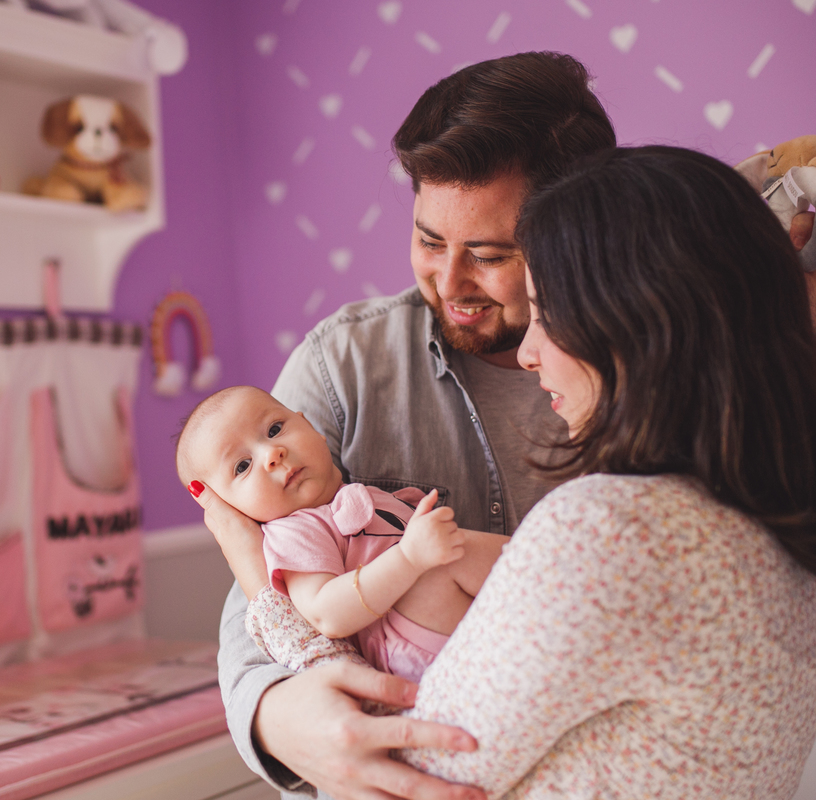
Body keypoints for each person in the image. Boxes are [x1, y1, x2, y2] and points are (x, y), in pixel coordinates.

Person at [191, 51, 618, 800]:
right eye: (428, 241)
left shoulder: (641, 367)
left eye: (489, 255)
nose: (449, 286)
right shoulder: (342, 365)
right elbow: (260, 599)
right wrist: (284, 720)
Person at [381, 145, 816, 795]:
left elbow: (406, 778)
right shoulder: (776, 521)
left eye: (547, 314)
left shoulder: (609, 530)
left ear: (641, 322)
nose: (528, 354)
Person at [176, 386, 507, 680]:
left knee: (456, 551)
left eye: (275, 429)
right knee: (451, 560)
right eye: (242, 466)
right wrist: (409, 558)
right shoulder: (293, 532)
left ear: (312, 427)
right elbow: (326, 613)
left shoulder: (357, 494)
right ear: (230, 508)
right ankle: (545, 564)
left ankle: (538, 579)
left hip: (444, 626)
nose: (272, 454)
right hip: (404, 644)